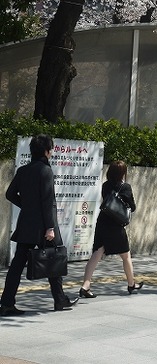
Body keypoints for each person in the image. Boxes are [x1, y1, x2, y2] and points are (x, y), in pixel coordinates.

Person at [0, 134, 79, 315]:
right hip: (44, 226)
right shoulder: (45, 170)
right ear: (46, 151)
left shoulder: (23, 170)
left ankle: (6, 303)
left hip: (27, 224)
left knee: (17, 264)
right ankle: (60, 300)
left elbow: (10, 194)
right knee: (55, 258)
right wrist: (50, 227)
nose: (51, 153)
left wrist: (27, 207)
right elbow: (47, 200)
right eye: (50, 149)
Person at [79, 160, 143, 298]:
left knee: (97, 253)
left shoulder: (105, 185)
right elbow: (133, 207)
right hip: (116, 224)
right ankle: (131, 284)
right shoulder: (126, 187)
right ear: (123, 173)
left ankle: (85, 285)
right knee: (125, 255)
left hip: (103, 221)